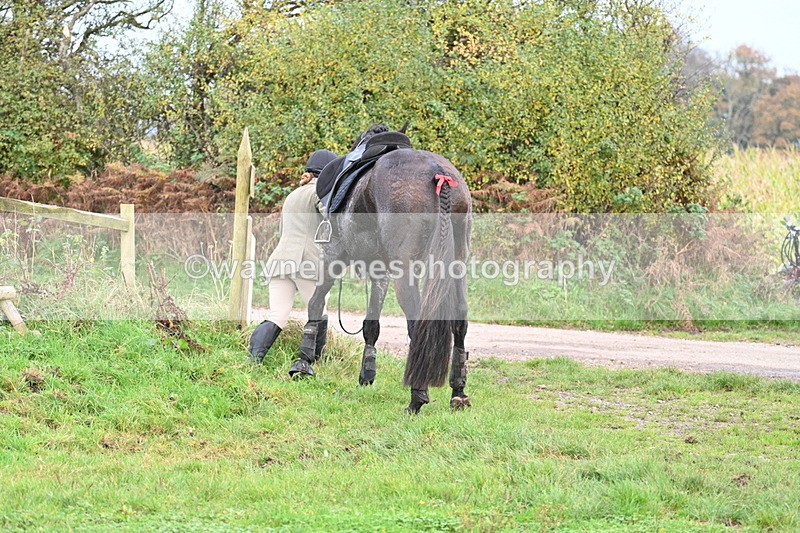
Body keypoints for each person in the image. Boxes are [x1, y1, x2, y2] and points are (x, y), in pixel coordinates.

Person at [249, 149, 338, 363]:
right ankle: (314, 362)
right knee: (319, 312)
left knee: (278, 314)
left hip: (280, 259)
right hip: (305, 261)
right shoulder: (320, 191)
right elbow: (331, 218)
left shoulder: (293, 194)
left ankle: (253, 360)